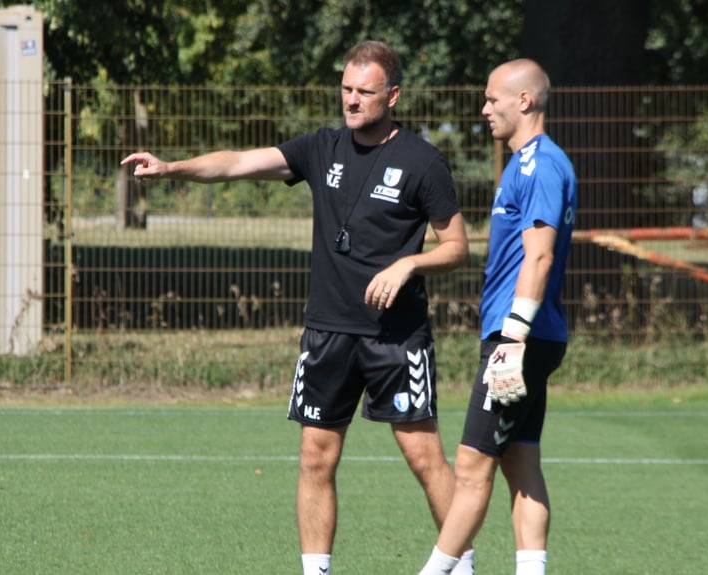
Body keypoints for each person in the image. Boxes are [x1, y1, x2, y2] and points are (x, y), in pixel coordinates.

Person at [121, 41, 473, 575]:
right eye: (346, 90)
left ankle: (461, 566)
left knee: (424, 458)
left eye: (365, 91)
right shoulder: (320, 146)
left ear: (393, 95)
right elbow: (238, 163)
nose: (352, 101)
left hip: (395, 337)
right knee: (315, 458)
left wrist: (408, 265)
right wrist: (172, 168)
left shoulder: (423, 161)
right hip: (327, 333)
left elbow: (457, 248)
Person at [417, 58, 577, 575]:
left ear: (524, 101)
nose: (483, 109)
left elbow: (540, 256)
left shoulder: (540, 165)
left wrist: (512, 336)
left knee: (470, 465)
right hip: (529, 336)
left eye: (492, 99)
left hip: (520, 337)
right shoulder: (524, 163)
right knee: (520, 459)